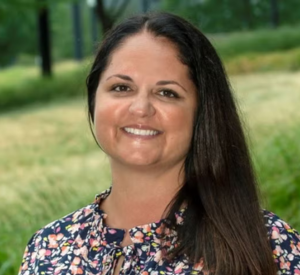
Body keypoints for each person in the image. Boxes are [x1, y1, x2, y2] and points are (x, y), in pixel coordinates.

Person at [18, 12, 300, 275]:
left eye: (167, 92)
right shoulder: (47, 249)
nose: (141, 108)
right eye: (121, 88)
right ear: (94, 101)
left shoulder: (269, 244)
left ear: (203, 112)